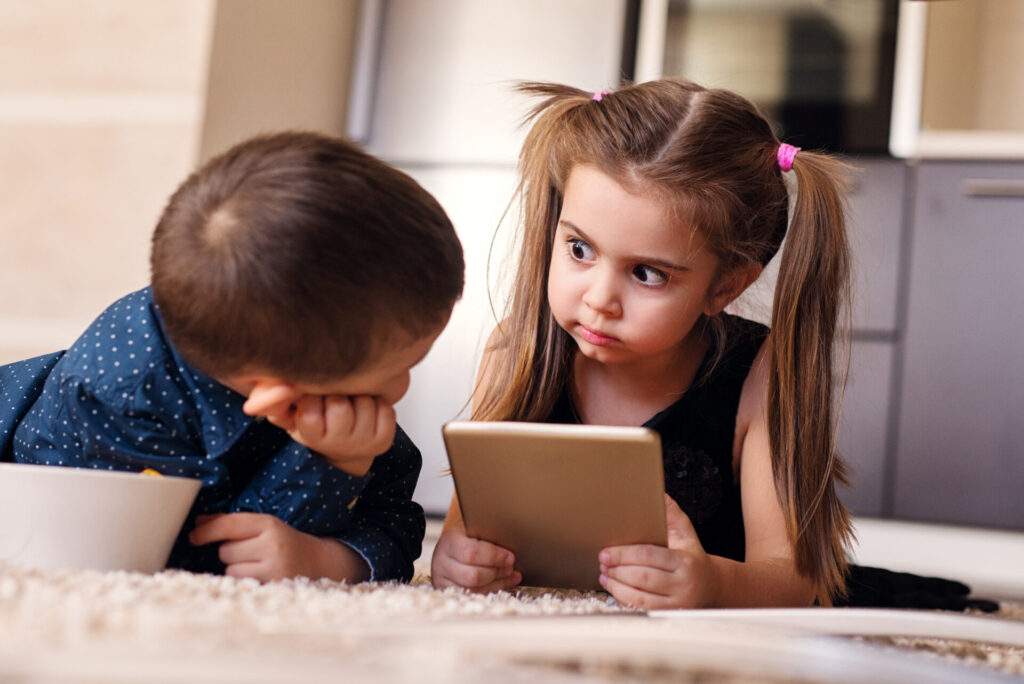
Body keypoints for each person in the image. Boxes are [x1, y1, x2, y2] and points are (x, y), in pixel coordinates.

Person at [431, 79, 854, 608]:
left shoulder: (760, 373)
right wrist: (456, 560)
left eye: (647, 274)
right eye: (579, 248)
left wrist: (712, 585)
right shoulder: (512, 351)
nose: (599, 299)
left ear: (726, 286)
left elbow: (793, 580)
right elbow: (464, 532)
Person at [0, 131, 465, 584]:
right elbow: (165, 569)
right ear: (278, 398)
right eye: (401, 370)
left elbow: (400, 526)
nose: (406, 386)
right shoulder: (112, 399)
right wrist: (326, 466)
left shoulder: (323, 380)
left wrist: (328, 560)